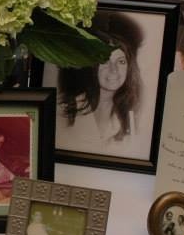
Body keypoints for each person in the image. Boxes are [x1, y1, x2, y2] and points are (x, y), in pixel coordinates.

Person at [57, 11, 143, 153]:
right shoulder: (64, 109)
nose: (113, 70)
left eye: (121, 61)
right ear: (92, 66)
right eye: (104, 61)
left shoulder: (132, 117)